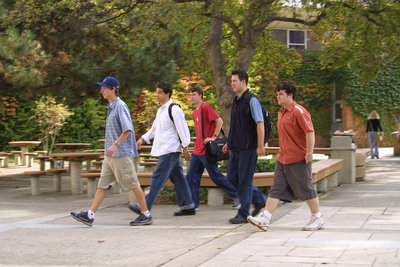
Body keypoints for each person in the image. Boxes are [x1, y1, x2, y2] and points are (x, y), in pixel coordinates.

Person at [71, 76, 152, 227]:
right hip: (110, 156)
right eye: (101, 87)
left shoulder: (120, 106)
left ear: (113, 89)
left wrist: (115, 145)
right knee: (102, 184)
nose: (101, 90)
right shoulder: (111, 107)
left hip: (121, 154)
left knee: (133, 183)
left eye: (104, 87)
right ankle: (90, 215)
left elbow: (128, 129)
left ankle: (146, 214)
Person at [247, 81, 325, 231]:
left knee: (307, 188)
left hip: (299, 159)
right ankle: (265, 218)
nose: (278, 97)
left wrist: (309, 152)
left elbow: (310, 132)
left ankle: (317, 218)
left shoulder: (298, 111)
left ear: (290, 95)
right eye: (277, 94)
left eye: (281, 94)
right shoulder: (281, 112)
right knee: (276, 189)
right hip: (283, 158)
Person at [128, 81, 196, 216]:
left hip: (170, 150)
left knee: (157, 178)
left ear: (167, 94)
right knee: (178, 178)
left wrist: (186, 148)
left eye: (160, 93)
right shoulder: (160, 110)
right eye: (156, 92)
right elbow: (154, 129)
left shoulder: (174, 109)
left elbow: (183, 130)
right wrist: (142, 139)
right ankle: (188, 206)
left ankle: (144, 207)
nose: (157, 95)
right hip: (165, 149)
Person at [222, 70, 267, 224]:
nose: (232, 84)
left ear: (243, 82)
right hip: (236, 147)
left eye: (235, 81)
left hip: (249, 148)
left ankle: (243, 214)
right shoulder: (236, 100)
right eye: (232, 81)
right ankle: (260, 199)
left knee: (244, 181)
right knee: (233, 178)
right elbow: (236, 125)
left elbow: (260, 123)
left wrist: (260, 145)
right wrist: (229, 141)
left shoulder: (251, 100)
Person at [186, 86, 240, 210]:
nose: (191, 97)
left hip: (207, 151)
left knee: (215, 176)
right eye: (190, 95)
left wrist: (213, 137)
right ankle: (194, 204)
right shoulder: (195, 112)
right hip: (197, 150)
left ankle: (238, 196)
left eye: (194, 94)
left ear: (200, 95)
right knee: (191, 176)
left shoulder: (206, 107)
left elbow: (219, 121)